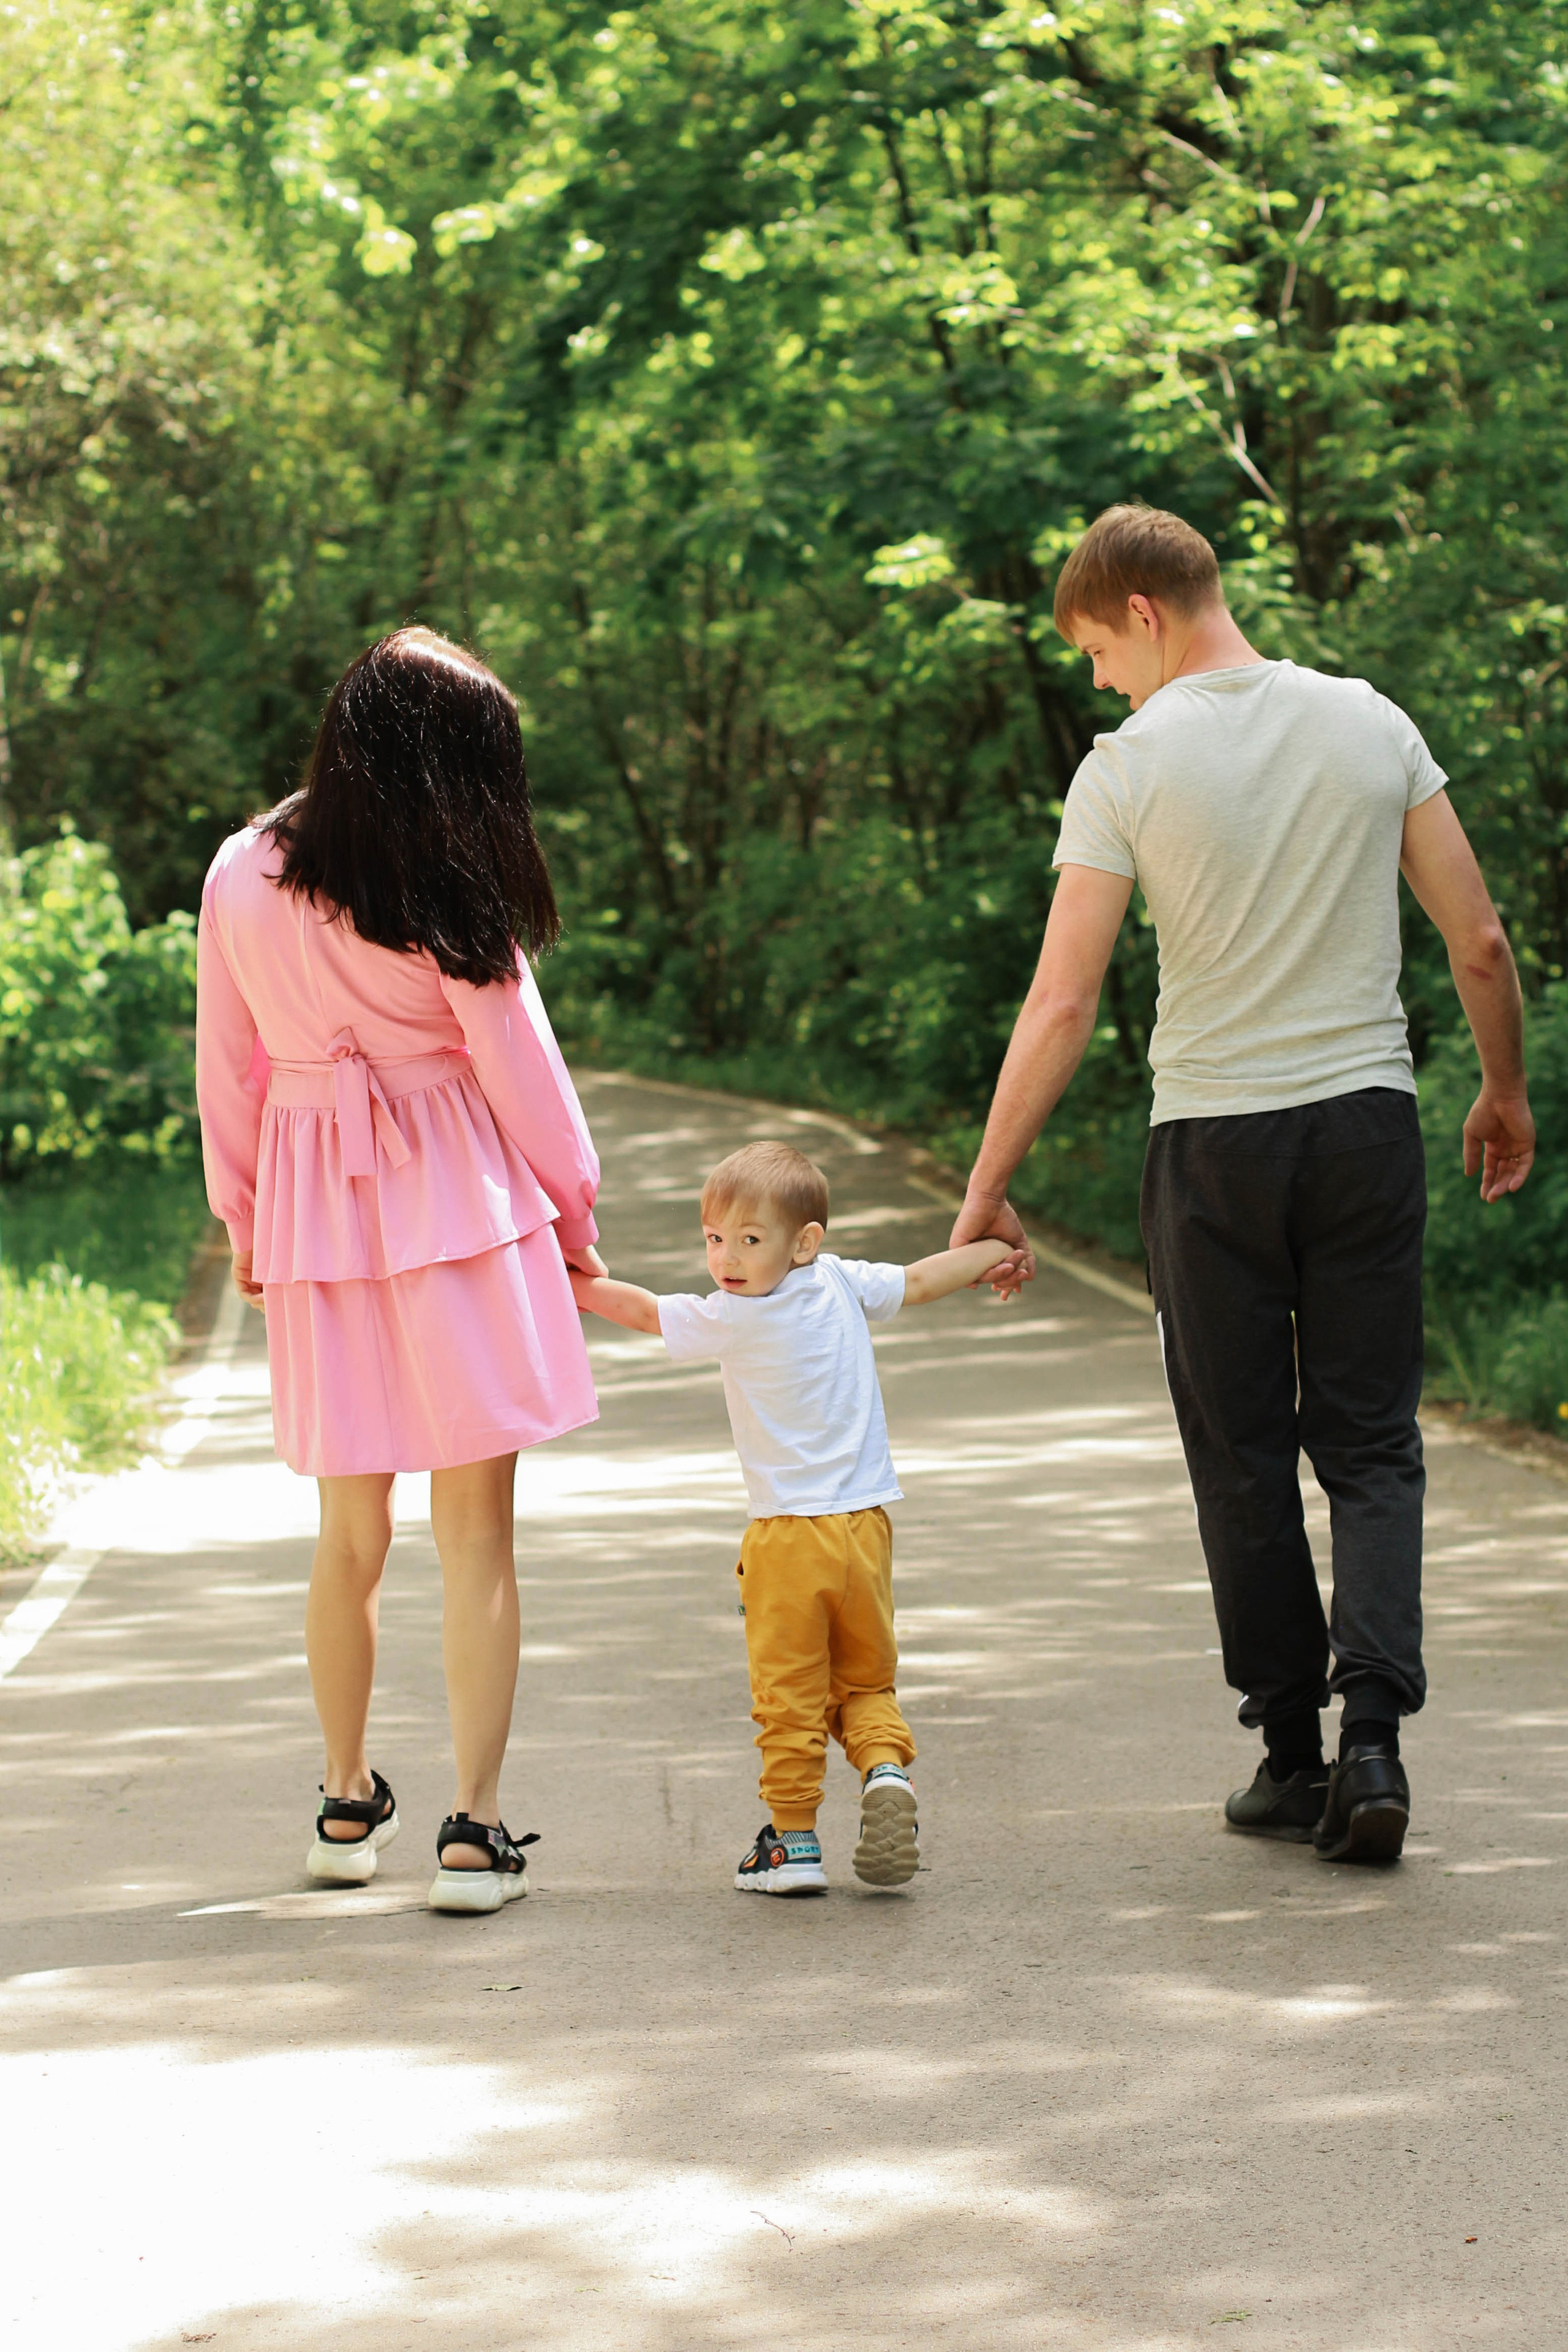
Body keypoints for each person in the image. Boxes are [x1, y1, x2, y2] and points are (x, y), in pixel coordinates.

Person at [949, 503, 1535, 1863]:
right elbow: (1481, 941)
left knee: (1240, 1449)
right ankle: (1374, 1742)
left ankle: (1289, 1754)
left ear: (1141, 613)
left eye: (1096, 647)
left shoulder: (1125, 766)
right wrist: (1501, 1094)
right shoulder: (1367, 722)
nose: (1098, 678)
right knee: (1372, 1442)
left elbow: (1060, 1003)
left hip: (1211, 1144)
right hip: (1364, 1128)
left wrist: (986, 1186)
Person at [195, 626, 605, 1916]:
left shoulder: (239, 867)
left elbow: (232, 1066)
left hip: (318, 1207)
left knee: (346, 1534)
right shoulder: (444, 869)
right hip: (455, 1203)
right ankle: (473, 1834)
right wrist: (573, 1213)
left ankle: (341, 1796)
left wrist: (249, 1219)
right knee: (475, 1536)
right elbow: (517, 1065)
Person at [569, 1141, 1010, 1894]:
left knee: (789, 1692)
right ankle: (885, 1773)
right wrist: (996, 1250)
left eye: (749, 1239)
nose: (726, 1260)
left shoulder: (729, 1318)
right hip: (865, 1529)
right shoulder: (842, 1281)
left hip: (785, 1542)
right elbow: (922, 1280)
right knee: (866, 1681)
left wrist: (568, 1280)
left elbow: (641, 1312)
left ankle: (794, 1843)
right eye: (714, 1239)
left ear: (805, 1241)